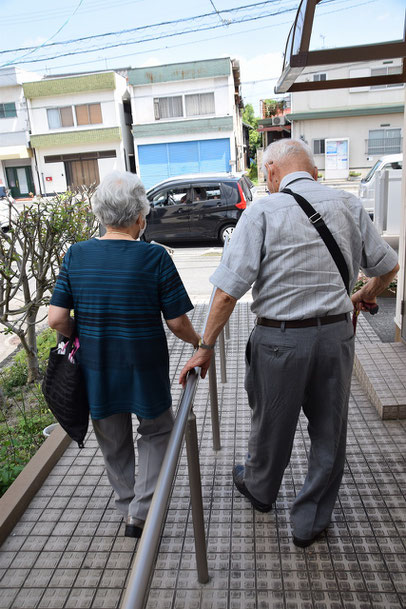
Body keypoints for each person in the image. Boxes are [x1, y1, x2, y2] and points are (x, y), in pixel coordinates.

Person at [180, 139, 399, 548]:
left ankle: (261, 490)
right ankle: (309, 522)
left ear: (271, 172)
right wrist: (363, 294)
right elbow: (388, 267)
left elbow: (228, 292)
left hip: (278, 339)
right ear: (313, 172)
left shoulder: (263, 209)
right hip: (336, 336)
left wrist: (205, 346)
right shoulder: (348, 204)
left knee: (271, 422)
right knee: (329, 431)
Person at [49, 171, 200, 538]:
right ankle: (142, 512)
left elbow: (56, 319)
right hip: (144, 365)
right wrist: (200, 344)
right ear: (139, 218)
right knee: (157, 430)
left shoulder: (76, 255)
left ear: (100, 215)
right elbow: (177, 322)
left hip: (97, 367)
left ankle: (127, 503)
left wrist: (79, 334)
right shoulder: (155, 257)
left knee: (112, 438)